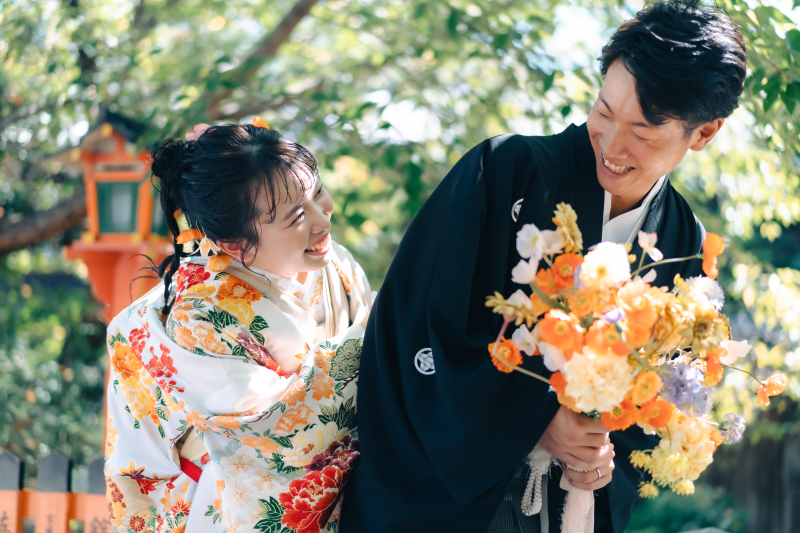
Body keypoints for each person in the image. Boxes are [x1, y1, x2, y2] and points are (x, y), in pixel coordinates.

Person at [341, 1, 746, 532]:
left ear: (704, 133)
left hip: (559, 511)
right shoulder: (504, 171)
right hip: (445, 505)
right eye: (604, 111)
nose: (613, 145)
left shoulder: (683, 241)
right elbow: (414, 329)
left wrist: (596, 446)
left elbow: (656, 397)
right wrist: (531, 420)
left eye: (643, 133)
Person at [104, 120, 372, 532]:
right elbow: (283, 431)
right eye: (298, 214)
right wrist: (383, 328)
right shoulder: (200, 317)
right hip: (224, 503)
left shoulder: (332, 262)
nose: (323, 220)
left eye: (318, 192)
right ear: (232, 244)